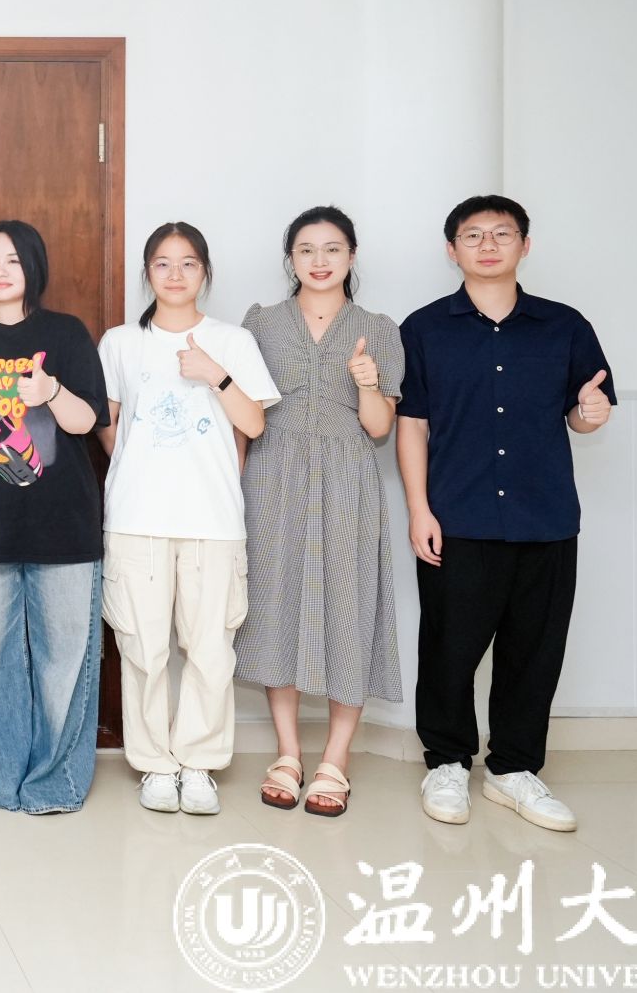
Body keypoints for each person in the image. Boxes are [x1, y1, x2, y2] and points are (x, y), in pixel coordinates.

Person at [400, 195, 614, 833]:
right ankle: (446, 763)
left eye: (502, 233)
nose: (488, 245)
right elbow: (413, 425)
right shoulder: (424, 328)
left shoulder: (564, 326)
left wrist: (590, 416)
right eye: (473, 235)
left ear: (525, 244)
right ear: (452, 250)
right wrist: (419, 508)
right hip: (456, 516)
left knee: (534, 650)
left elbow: (585, 410)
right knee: (449, 648)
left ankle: (514, 769)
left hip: (545, 516)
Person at [98, 222, 278, 817]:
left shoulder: (232, 340)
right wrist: (138, 467)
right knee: (142, 649)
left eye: (188, 264)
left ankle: (198, 763)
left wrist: (214, 373)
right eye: (162, 263)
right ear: (147, 272)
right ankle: (155, 765)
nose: (175, 275)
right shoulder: (121, 342)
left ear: (205, 272)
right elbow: (108, 425)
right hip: (137, 517)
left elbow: (253, 423)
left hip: (213, 519)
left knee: (209, 650)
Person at [0, 220, 109, 814]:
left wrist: (50, 393)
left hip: (64, 526)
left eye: (12, 259)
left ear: (33, 266)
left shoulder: (66, 333)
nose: (0, 270)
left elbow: (88, 423)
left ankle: (54, 783)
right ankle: (0, 776)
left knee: (65, 664)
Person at [233, 206, 404, 817]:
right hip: (271, 477)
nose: (320, 260)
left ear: (352, 257)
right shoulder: (260, 323)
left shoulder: (377, 328)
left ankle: (336, 757)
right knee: (275, 606)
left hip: (348, 479)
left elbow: (380, 428)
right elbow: (243, 414)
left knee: (349, 609)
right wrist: (233, 485)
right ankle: (287, 752)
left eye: (333, 249)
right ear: (291, 259)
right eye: (306, 249)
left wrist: (367, 383)